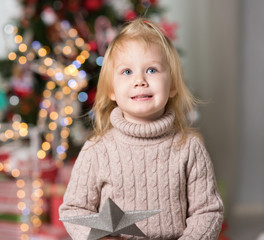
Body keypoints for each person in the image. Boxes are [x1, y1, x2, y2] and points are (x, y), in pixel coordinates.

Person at [59, 18, 224, 240]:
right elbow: (73, 209)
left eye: (152, 70)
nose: (140, 80)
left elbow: (208, 212)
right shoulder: (97, 150)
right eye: (127, 72)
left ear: (173, 85)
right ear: (111, 90)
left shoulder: (190, 148)